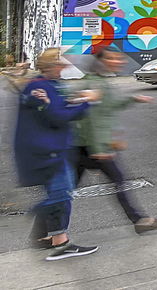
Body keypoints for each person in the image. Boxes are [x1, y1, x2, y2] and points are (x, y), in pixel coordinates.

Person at [13, 47, 101, 260]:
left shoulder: (46, 85)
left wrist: (77, 100)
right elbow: (57, 116)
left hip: (50, 149)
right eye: (61, 64)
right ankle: (40, 214)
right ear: (51, 67)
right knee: (61, 194)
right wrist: (89, 102)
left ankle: (59, 241)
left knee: (62, 193)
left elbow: (55, 107)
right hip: (47, 151)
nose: (65, 67)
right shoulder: (40, 87)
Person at [72, 48, 157, 235]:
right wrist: (99, 148)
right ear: (100, 62)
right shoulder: (93, 83)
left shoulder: (100, 81)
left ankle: (46, 230)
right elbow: (90, 118)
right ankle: (139, 220)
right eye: (112, 58)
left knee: (67, 189)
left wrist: (134, 98)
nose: (118, 61)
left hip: (87, 145)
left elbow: (109, 105)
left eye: (119, 58)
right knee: (118, 180)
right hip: (89, 146)